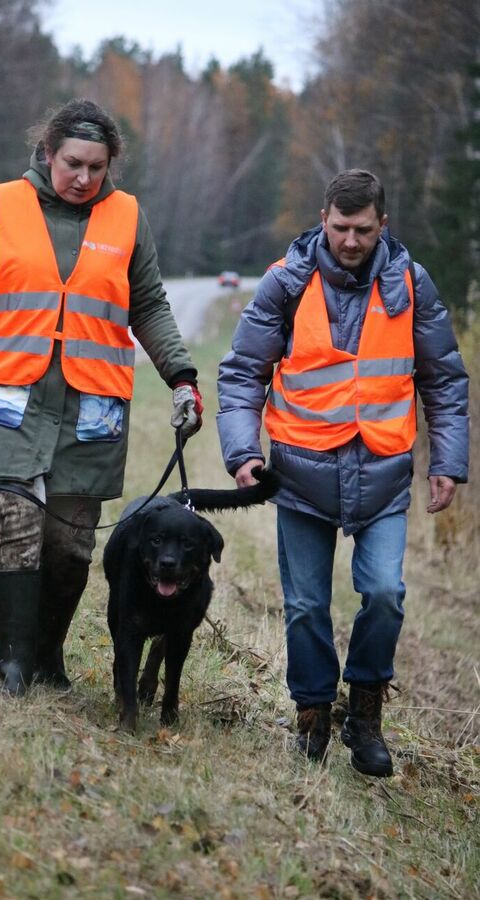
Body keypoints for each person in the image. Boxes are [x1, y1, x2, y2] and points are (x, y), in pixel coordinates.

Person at [0, 98, 203, 697]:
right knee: (13, 521)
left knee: (70, 545)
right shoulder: (1, 206)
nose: (83, 178)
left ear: (110, 166)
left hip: (90, 407)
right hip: (8, 397)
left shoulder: (127, 219)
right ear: (47, 153)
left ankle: (46, 652)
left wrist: (181, 375)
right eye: (73, 163)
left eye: (96, 167)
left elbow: (147, 305)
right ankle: (12, 664)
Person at [217, 169, 469, 777]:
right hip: (301, 473)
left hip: (383, 470)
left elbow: (443, 381)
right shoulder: (286, 282)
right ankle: (311, 715)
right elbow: (242, 372)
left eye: (361, 229)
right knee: (305, 605)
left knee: (384, 594)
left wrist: (448, 462)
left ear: (383, 224)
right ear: (323, 220)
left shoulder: (411, 283)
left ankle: (364, 714)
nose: (350, 240)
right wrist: (242, 453)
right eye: (339, 228)